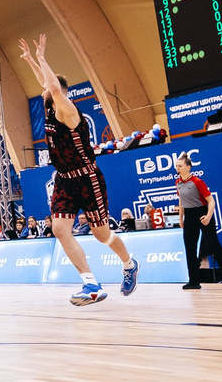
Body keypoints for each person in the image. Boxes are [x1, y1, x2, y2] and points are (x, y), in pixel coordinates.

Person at [16, 36, 140, 305]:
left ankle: (129, 265)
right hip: (64, 180)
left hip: (87, 178)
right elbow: (47, 84)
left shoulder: (68, 111)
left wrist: (41, 57)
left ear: (57, 92)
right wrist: (30, 62)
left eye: (47, 89)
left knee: (101, 234)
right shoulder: (49, 106)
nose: (42, 91)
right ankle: (91, 284)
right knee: (60, 229)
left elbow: (53, 87)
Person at [174, 157, 222, 289]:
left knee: (214, 245)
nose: (177, 168)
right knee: (190, 248)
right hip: (189, 216)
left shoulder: (197, 182)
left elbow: (211, 201)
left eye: (180, 166)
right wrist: (181, 219)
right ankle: (194, 281)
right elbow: (181, 201)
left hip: (202, 213)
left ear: (188, 167)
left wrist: (208, 216)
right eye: (176, 166)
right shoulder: (177, 182)